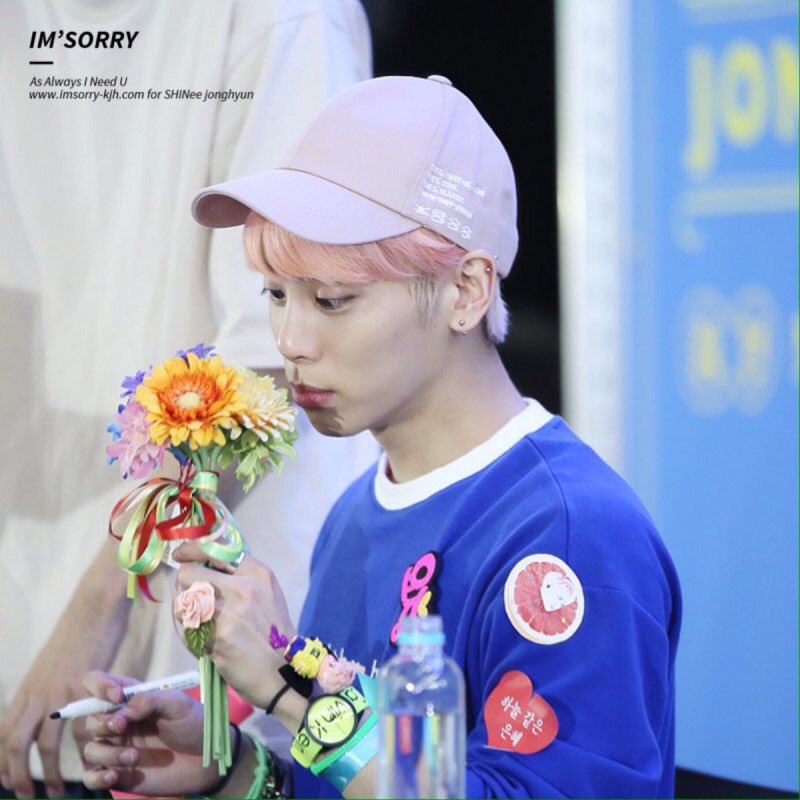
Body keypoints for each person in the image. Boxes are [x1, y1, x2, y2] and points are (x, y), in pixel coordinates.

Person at [78, 74, 682, 798]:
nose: (290, 340)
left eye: (332, 300)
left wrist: (286, 690)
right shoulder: (357, 515)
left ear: (466, 291)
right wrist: (237, 772)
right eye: (277, 294)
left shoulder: (572, 535)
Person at [0, 2, 378, 797]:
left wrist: (99, 600)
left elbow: (276, 355)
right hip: (38, 641)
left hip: (213, 662)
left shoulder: (282, 17)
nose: (302, 320)